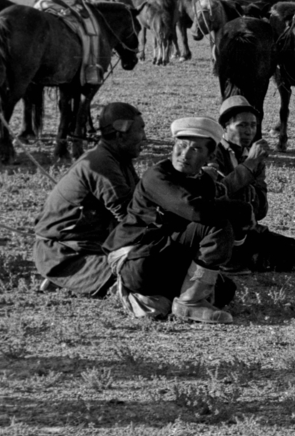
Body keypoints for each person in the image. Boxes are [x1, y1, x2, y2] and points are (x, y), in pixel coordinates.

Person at [105, 117, 254, 324]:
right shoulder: (158, 176)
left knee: (225, 290)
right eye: (181, 145)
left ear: (210, 156)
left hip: (166, 254)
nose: (184, 155)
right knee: (216, 224)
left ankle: (167, 301)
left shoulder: (202, 182)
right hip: (138, 259)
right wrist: (240, 209)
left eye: (195, 150)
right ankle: (189, 303)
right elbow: (195, 209)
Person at [31, 101, 146, 296]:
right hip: (65, 256)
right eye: (140, 131)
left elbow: (142, 203)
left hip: (88, 248)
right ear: (120, 135)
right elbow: (131, 216)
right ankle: (67, 280)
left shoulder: (118, 158)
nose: (144, 137)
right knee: (146, 272)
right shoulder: (101, 162)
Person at [213, 95, 295, 272]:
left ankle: (246, 259)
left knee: (293, 250)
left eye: (253, 125)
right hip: (221, 231)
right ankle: (235, 259)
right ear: (224, 127)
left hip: (248, 230)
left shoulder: (253, 155)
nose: (249, 131)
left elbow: (261, 210)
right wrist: (248, 166)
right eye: (242, 125)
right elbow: (216, 192)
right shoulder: (214, 152)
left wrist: (254, 191)